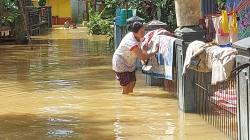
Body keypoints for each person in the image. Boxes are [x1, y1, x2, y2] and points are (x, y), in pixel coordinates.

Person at [112, 22, 159, 94]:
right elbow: (142, 56)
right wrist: (154, 52)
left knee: (133, 82)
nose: (144, 33)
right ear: (134, 32)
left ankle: (129, 100)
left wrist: (143, 48)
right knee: (126, 85)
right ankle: (125, 100)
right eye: (141, 32)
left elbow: (141, 49)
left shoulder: (138, 37)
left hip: (129, 62)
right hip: (120, 62)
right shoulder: (130, 41)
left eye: (144, 31)